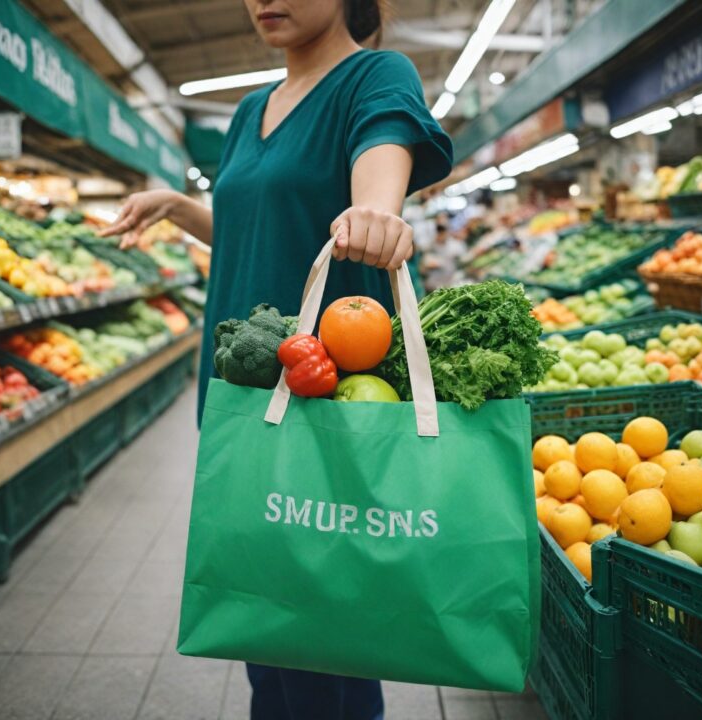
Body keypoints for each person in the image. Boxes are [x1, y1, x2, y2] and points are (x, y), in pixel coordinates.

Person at [100, 2, 452, 718]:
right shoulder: (250, 109)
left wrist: (376, 211)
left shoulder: (376, 74)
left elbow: (381, 156)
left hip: (320, 400)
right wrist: (178, 206)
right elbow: (246, 226)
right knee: (264, 625)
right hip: (238, 394)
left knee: (326, 644)